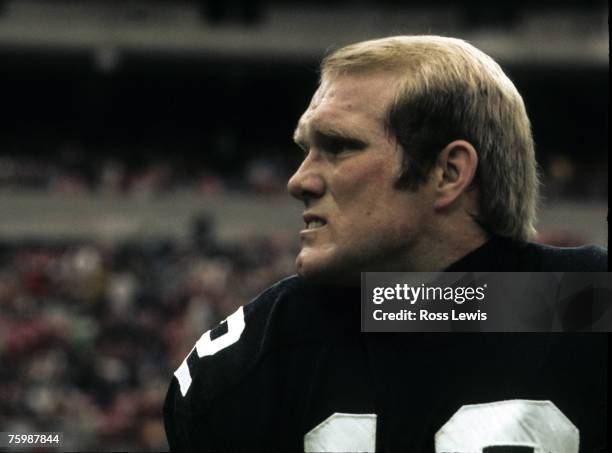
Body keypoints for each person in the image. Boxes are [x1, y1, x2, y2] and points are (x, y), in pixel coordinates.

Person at [163, 36, 607, 452]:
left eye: (338, 147)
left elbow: (447, 307)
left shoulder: (270, 348)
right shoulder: (268, 348)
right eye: (306, 149)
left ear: (448, 173)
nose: (299, 180)